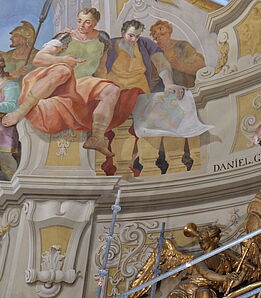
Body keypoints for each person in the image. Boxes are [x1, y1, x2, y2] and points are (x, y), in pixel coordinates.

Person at [1, 8, 141, 158]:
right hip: (53, 79)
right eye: (79, 20)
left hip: (81, 82)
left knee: (112, 90)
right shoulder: (66, 37)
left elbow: (101, 68)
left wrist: (106, 83)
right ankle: (20, 111)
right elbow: (39, 59)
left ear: (94, 23)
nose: (81, 25)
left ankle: (97, 137)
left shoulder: (103, 39)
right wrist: (62, 59)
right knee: (64, 70)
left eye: (87, 22)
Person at [106, 20, 184, 98]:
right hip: (115, 93)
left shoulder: (145, 43)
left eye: (137, 36)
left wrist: (169, 84)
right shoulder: (109, 45)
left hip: (141, 92)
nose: (134, 40)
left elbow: (161, 63)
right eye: (131, 35)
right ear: (123, 33)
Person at [149, 20, 205, 88]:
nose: (158, 33)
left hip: (187, 89)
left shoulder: (182, 45)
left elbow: (200, 66)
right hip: (162, 91)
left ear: (169, 29)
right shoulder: (153, 52)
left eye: (161, 29)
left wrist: (180, 66)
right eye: (154, 32)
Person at [0, 56, 21, 179]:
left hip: (4, 127)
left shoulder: (10, 84)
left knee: (6, 162)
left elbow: (12, 105)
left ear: (2, 63)